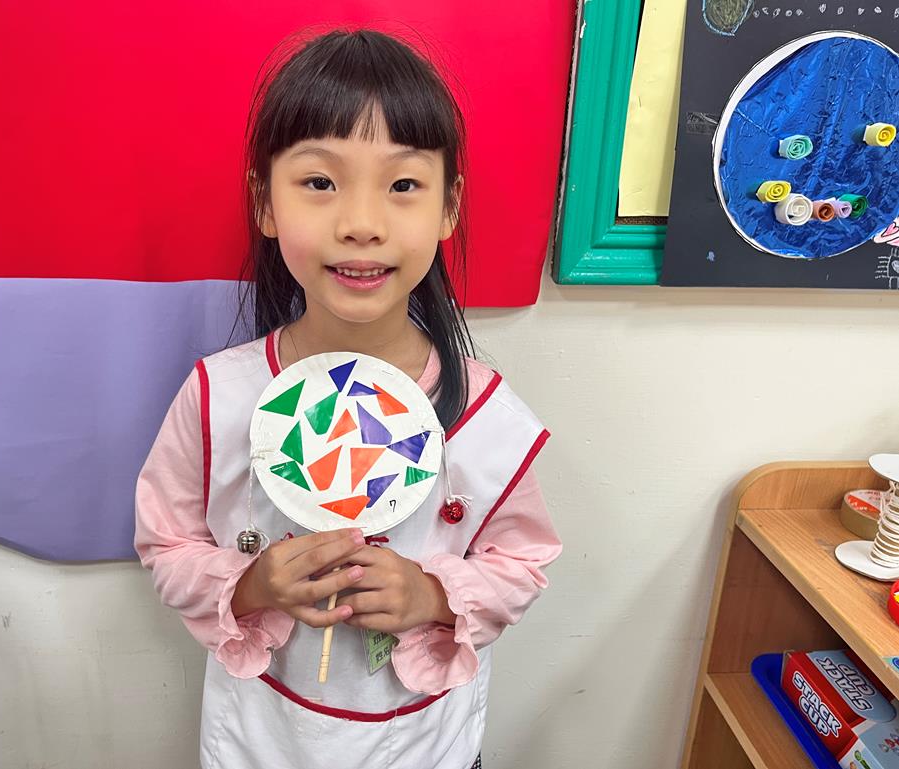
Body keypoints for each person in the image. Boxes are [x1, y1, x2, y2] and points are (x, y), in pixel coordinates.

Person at [134, 27, 562, 769]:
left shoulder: (487, 417)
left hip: (426, 743)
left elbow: (523, 561)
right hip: (262, 739)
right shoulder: (218, 396)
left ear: (449, 206)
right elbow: (165, 542)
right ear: (265, 201)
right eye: (319, 182)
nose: (361, 223)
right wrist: (252, 585)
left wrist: (433, 596)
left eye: (403, 185)